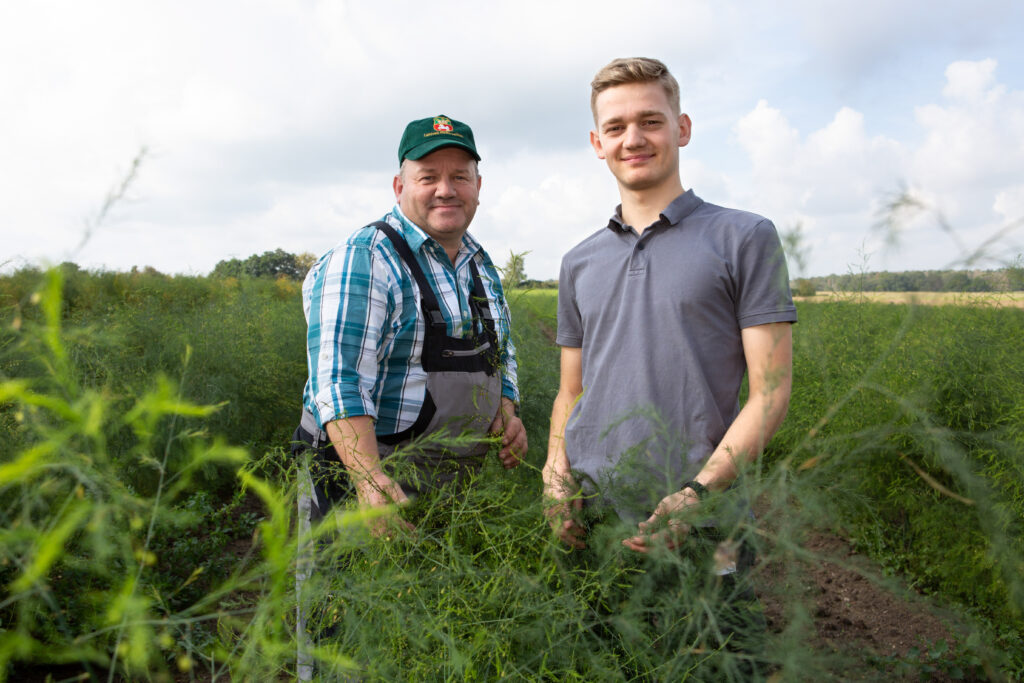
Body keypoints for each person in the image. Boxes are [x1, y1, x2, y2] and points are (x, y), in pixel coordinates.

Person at [543, 57, 797, 670]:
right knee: (610, 662)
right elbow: (570, 391)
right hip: (596, 515)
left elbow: (771, 390)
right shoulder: (579, 261)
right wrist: (555, 472)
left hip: (703, 518)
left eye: (650, 121)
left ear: (681, 129)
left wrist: (696, 494)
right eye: (617, 126)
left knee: (722, 660)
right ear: (597, 143)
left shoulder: (743, 237)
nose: (634, 139)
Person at [293, 114, 526, 679]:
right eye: (428, 175)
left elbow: (502, 349)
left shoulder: (479, 264)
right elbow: (338, 380)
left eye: (460, 175)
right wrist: (372, 482)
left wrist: (507, 408)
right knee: (347, 624)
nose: (445, 188)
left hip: (450, 478)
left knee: (426, 621)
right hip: (361, 476)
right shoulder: (366, 256)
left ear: (477, 185)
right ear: (400, 186)